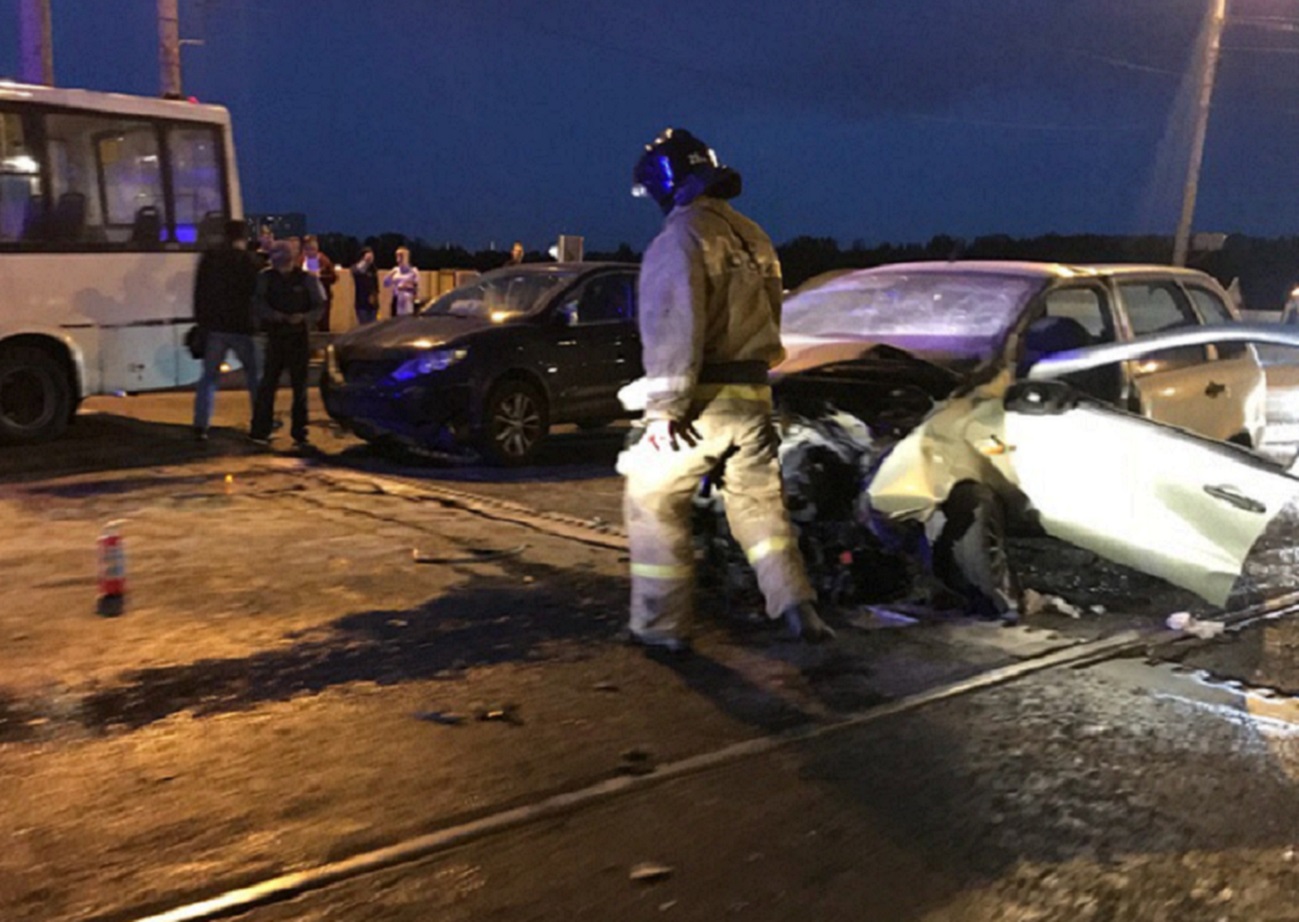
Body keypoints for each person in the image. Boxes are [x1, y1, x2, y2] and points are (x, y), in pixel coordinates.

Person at [618, 127, 833, 651]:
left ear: (666, 184)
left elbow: (674, 327)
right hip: (753, 399)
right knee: (760, 510)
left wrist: (665, 412)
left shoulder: (680, 238)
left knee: (651, 501)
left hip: (701, 405)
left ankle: (659, 626)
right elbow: (773, 318)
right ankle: (796, 605)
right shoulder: (753, 236)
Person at [191, 219, 264, 441]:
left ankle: (201, 424)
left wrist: (202, 322)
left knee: (209, 378)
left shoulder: (210, 259)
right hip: (242, 326)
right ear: (243, 237)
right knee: (255, 377)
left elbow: (200, 292)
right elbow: (257, 295)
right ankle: (261, 423)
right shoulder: (249, 261)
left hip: (215, 327)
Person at [249, 241, 324, 448]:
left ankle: (298, 430)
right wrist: (278, 317)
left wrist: (304, 318)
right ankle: (261, 429)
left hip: (298, 337)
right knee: (269, 385)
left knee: (298, 387)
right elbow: (258, 304)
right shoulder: (266, 277)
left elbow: (319, 305)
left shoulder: (306, 279)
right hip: (276, 336)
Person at [301, 235, 337, 332]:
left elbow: (334, 278)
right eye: (307, 249)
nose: (310, 252)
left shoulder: (324, 261)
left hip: (322, 297)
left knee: (323, 324)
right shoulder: (300, 261)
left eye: (312, 249)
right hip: (305, 298)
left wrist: (320, 276)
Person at [383, 246, 420, 317]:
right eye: (397, 256)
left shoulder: (413, 271)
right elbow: (386, 284)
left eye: (401, 256)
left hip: (408, 300)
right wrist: (389, 275)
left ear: (407, 257)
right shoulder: (395, 270)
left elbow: (416, 287)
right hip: (396, 300)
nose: (399, 258)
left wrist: (405, 287)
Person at [351, 247, 380, 325]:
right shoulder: (356, 268)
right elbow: (356, 272)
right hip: (361, 303)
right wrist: (365, 262)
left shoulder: (373, 270)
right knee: (363, 326)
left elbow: (376, 286)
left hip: (372, 305)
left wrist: (375, 298)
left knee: (373, 327)